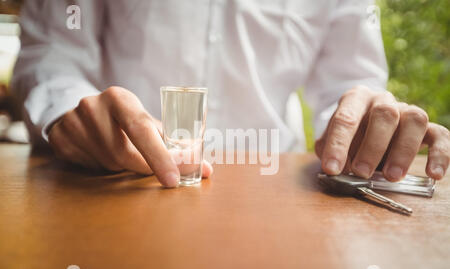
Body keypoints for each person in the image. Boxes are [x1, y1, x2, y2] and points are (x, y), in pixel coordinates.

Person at [12, 0, 450, 188]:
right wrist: (66, 111)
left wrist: (360, 122)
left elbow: (349, 82)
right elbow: (53, 52)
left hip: (281, 198)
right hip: (117, 185)